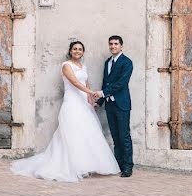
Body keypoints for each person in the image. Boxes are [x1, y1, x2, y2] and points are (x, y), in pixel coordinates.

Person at [10, 41, 120, 182]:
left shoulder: (83, 66)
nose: (77, 51)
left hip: (83, 104)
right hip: (72, 103)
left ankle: (84, 165)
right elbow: (75, 82)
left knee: (85, 133)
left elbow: (86, 84)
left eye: (80, 49)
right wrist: (92, 92)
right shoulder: (66, 66)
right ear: (70, 51)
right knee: (71, 133)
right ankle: (70, 165)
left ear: (83, 52)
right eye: (75, 49)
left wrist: (91, 101)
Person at [91, 35, 134, 177]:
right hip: (110, 105)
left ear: (121, 46)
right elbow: (106, 82)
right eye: (111, 44)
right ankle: (118, 164)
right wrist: (100, 101)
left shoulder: (127, 62)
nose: (113, 46)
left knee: (124, 136)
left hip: (122, 104)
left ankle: (128, 167)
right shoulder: (107, 62)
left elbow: (121, 83)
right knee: (115, 137)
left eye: (116, 44)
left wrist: (102, 93)